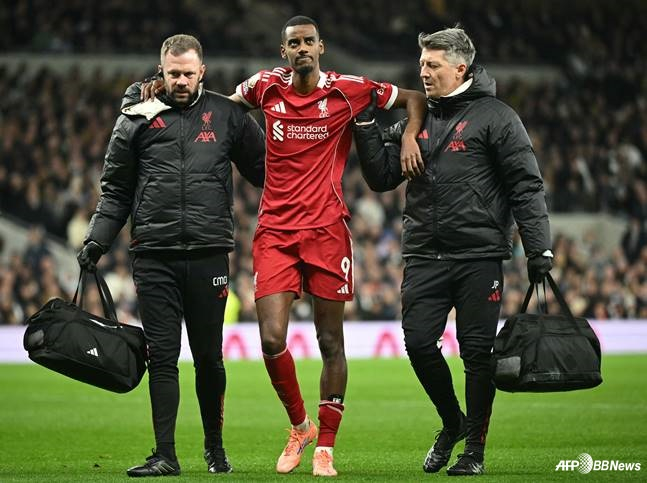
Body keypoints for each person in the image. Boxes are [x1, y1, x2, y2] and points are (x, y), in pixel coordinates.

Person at [352, 27, 553, 476]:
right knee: (419, 344)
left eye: (433, 65)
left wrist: (539, 248)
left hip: (479, 255)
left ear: (461, 68)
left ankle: (474, 450)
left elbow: (525, 185)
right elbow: (382, 178)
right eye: (422, 64)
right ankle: (453, 422)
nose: (423, 72)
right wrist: (365, 125)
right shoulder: (417, 120)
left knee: (477, 354)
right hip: (424, 253)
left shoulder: (497, 117)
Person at [77, 34, 265, 477]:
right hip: (154, 256)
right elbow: (116, 190)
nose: (180, 81)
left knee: (209, 358)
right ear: (160, 71)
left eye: (187, 73)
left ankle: (215, 449)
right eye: (173, 73)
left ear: (202, 72)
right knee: (162, 357)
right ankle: (165, 455)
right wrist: (96, 241)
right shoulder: (136, 117)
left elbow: (266, 171)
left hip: (208, 253)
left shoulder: (228, 115)